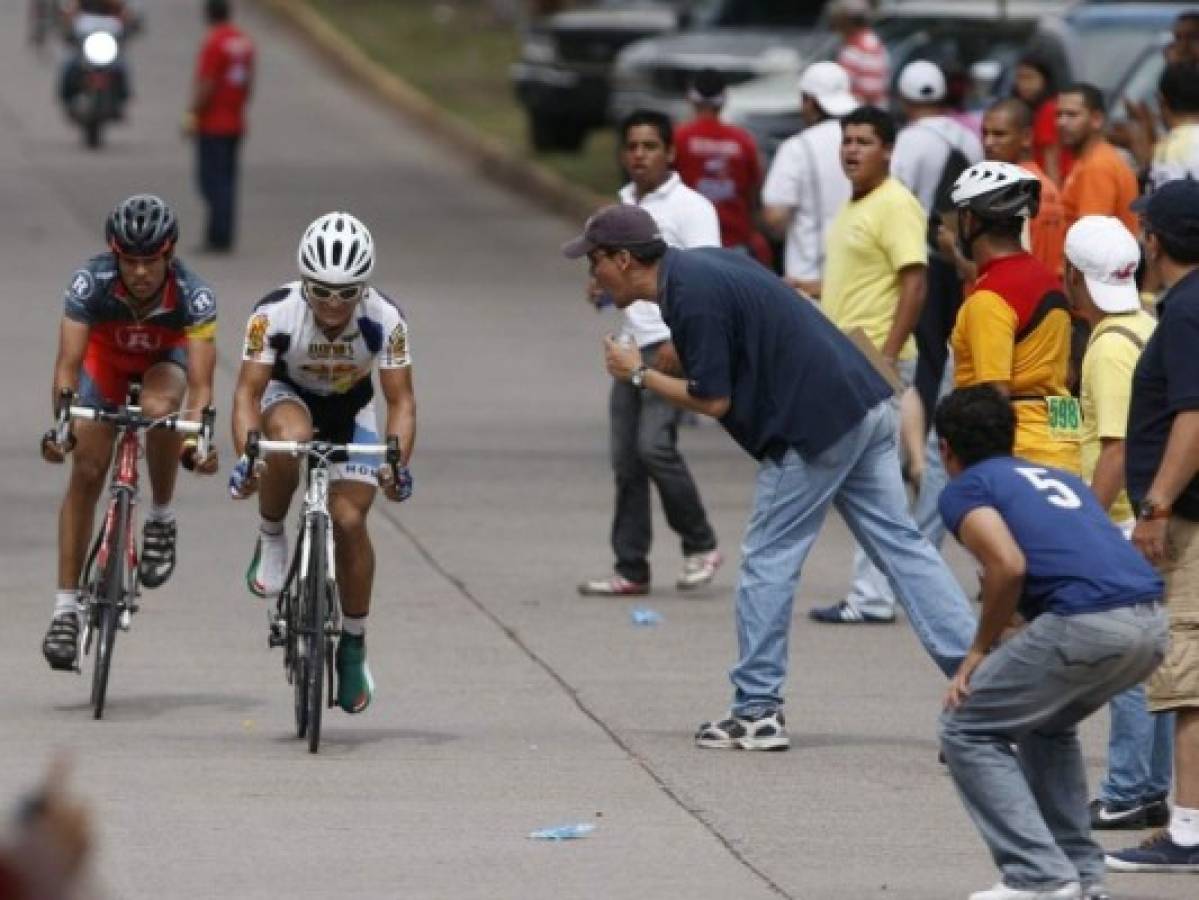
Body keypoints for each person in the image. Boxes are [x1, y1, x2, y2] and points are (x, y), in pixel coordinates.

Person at [564, 204, 977, 750]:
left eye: (596, 262)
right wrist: (663, 361)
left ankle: (758, 709)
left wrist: (636, 374)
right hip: (866, 403)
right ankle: (991, 686)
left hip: (814, 427)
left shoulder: (689, 294)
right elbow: (720, 341)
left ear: (624, 257)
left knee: (767, 559)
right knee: (903, 548)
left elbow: (713, 400)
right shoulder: (701, 267)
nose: (592, 275)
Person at [935, 385, 1166, 900]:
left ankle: (1036, 875)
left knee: (964, 727)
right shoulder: (1057, 478)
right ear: (1011, 435)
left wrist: (976, 652)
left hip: (1089, 622)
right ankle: (1080, 876)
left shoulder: (966, 488)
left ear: (945, 448)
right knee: (1045, 724)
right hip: (1150, 625)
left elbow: (1007, 565)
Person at [229, 211, 416, 715]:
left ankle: (353, 643)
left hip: (352, 411)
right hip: (288, 397)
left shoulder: (386, 319)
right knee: (291, 440)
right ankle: (271, 535)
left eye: (347, 293)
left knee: (349, 520)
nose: (334, 305)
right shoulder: (274, 313)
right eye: (321, 291)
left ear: (364, 288)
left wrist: (396, 464)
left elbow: (401, 402)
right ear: (304, 283)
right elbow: (247, 391)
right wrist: (248, 455)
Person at [39, 194, 219, 672]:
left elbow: (201, 388)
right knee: (88, 467)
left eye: (152, 261)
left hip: (165, 363)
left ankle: (160, 516)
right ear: (114, 253)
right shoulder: (90, 282)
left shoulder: (194, 295)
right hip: (105, 365)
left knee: (162, 411)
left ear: (170, 255)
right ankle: (65, 609)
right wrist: (62, 426)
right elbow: (67, 368)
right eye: (130, 260)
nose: (140, 272)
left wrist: (196, 440)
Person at [578, 110, 722, 597]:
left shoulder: (691, 207)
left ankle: (701, 544)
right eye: (633, 146)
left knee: (654, 446)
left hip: (668, 345)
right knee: (626, 460)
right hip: (629, 344)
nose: (640, 155)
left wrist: (682, 343)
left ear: (671, 152)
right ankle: (631, 567)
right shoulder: (620, 204)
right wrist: (600, 289)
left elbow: (709, 278)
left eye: (651, 146)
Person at [1061, 216, 1174, 832]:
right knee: (1152, 663)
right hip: (1146, 517)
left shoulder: (1106, 346)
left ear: (1073, 274)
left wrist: (1083, 529)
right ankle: (1149, 786)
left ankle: (1129, 786)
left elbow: (1115, 449)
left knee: (1127, 665)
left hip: (1125, 522)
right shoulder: (1141, 325)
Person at [805, 105, 929, 625]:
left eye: (864, 141)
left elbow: (914, 280)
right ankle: (873, 592)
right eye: (847, 140)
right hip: (846, 356)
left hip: (873, 358)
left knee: (869, 481)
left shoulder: (895, 204)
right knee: (871, 483)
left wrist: (888, 352)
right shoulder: (856, 204)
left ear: (888, 150)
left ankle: (874, 593)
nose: (852, 150)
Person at [1107, 179, 1199, 872]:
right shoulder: (1168, 313)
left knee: (1185, 675)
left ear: (1156, 241)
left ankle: (1187, 829)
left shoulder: (1183, 314)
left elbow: (1189, 418)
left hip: (1183, 520)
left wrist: (1156, 505)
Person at [948, 162, 1081, 475]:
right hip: (1063, 448)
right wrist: (1068, 446)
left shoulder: (990, 297)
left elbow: (994, 396)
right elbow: (1068, 377)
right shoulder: (1048, 279)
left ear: (969, 220)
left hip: (1020, 458)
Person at [761, 60, 856, 298]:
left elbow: (774, 217)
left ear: (810, 102)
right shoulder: (866, 142)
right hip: (858, 284)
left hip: (808, 282)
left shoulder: (798, 147)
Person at [673, 68, 770, 266]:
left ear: (691, 98)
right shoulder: (743, 141)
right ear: (724, 99)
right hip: (735, 245)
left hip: (689, 244)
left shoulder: (678, 139)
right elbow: (754, 196)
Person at [186, 0, 255, 254]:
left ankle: (218, 235)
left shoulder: (214, 43)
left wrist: (192, 114)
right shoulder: (244, 42)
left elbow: (207, 82)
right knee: (227, 179)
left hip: (213, 124)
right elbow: (248, 82)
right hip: (235, 120)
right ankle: (221, 232)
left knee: (210, 181)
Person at [1057, 84, 1138, 234]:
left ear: (1096, 119)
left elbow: (1091, 238)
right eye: (1059, 114)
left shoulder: (1097, 166)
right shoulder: (1092, 158)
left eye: (1072, 115)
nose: (1061, 122)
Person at [1013, 53, 1072, 186]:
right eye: (1019, 78)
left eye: (1029, 78)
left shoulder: (1048, 110)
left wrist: (1052, 196)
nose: (1023, 85)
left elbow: (1051, 161)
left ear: (1044, 79)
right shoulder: (1036, 110)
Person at [828, 0, 888, 108]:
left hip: (862, 117)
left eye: (838, 21)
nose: (835, 27)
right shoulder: (869, 43)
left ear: (848, 22)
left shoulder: (860, 49)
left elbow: (870, 91)